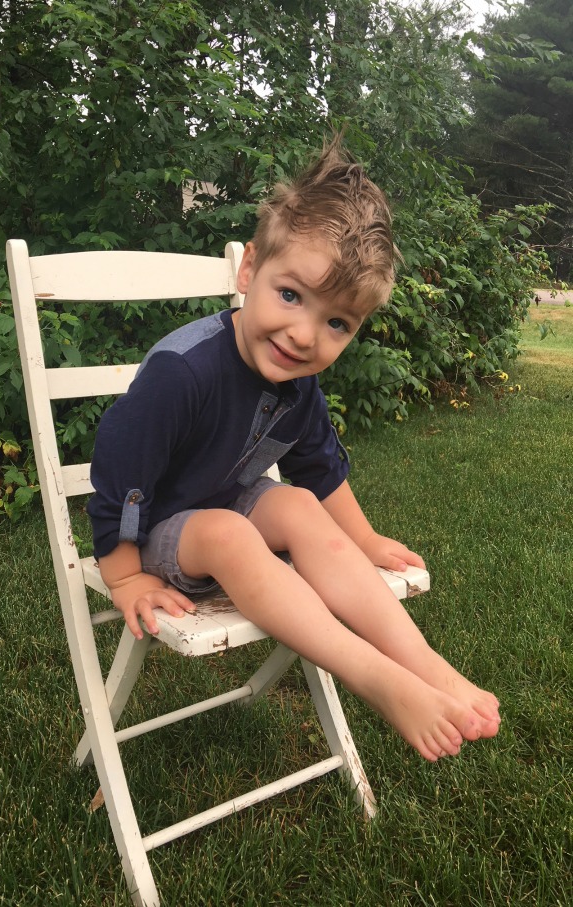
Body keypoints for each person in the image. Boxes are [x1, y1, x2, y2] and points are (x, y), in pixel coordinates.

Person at [87, 139, 501, 762]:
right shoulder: (184, 372)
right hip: (159, 536)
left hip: (228, 507)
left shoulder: (298, 385)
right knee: (228, 530)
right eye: (291, 295)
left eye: (338, 323)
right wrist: (124, 577)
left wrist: (361, 540)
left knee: (301, 504)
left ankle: (424, 664)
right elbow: (119, 472)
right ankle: (376, 679)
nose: (304, 335)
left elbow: (318, 468)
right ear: (249, 270)